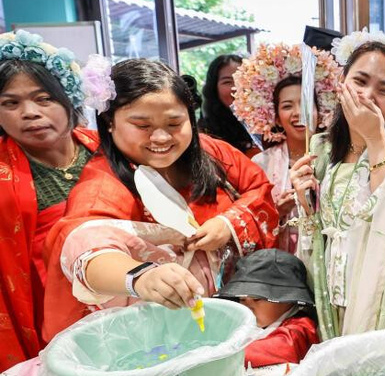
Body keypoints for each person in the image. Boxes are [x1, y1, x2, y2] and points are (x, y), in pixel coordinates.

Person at [42, 58, 278, 341]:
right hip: (162, 331)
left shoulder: (213, 152)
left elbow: (259, 189)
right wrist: (141, 277)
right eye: (142, 125)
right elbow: (87, 247)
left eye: (174, 122)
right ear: (109, 123)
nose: (161, 137)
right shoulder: (102, 186)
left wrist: (228, 224)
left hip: (239, 310)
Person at [290, 30, 385, 339]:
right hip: (327, 294)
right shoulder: (320, 146)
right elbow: (318, 228)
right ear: (342, 83)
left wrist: (375, 138)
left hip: (378, 296)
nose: (368, 95)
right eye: (360, 81)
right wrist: (304, 201)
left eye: (384, 90)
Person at [0, 31, 102, 370]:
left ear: (67, 99)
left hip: (127, 289)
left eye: (43, 99)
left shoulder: (108, 149)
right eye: (10, 103)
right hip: (49, 312)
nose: (29, 113)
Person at [233, 42, 341, 254]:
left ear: (321, 113)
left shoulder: (338, 154)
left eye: (305, 104)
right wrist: (277, 212)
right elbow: (249, 223)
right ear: (275, 117)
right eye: (287, 106)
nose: (298, 113)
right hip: (281, 264)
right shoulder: (261, 163)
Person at [216, 248, 319, 367]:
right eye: (242, 299)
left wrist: (219, 355)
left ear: (286, 299)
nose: (248, 307)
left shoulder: (300, 328)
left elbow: (283, 348)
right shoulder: (262, 321)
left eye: (256, 299)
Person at [198, 54, 260, 157]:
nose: (236, 88)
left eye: (242, 79)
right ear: (214, 88)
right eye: (227, 82)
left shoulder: (268, 125)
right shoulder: (205, 134)